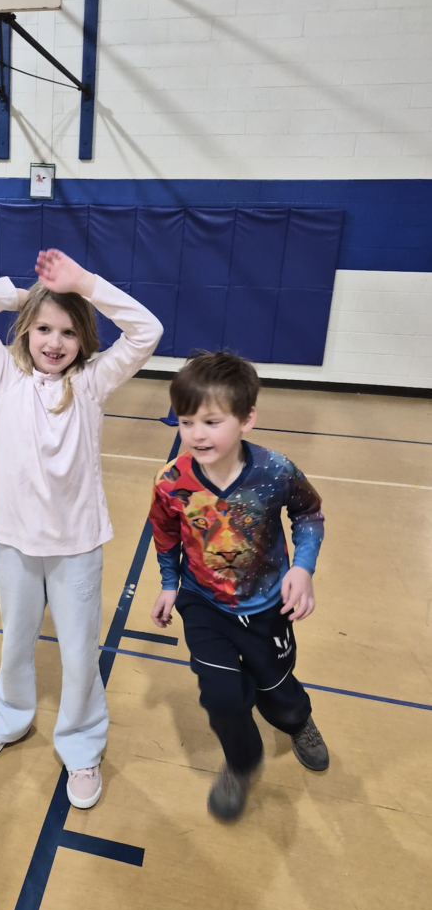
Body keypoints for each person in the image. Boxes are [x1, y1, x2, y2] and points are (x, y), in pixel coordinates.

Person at [0, 249, 163, 810]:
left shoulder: (92, 383)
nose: (53, 341)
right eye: (43, 327)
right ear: (26, 330)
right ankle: (9, 718)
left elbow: (147, 330)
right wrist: (27, 294)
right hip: (14, 540)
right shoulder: (2, 375)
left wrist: (86, 283)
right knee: (15, 640)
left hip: (76, 546)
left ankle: (82, 745)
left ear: (82, 339)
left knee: (77, 652)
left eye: (67, 331)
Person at [148, 351, 328, 823]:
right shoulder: (171, 483)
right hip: (204, 605)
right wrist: (170, 585)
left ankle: (297, 721)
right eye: (186, 422)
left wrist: (302, 568)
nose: (197, 435)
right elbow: (165, 536)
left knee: (277, 689)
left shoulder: (275, 472)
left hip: (269, 607)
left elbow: (309, 515)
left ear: (247, 418)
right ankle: (241, 763)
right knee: (223, 698)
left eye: (211, 421)